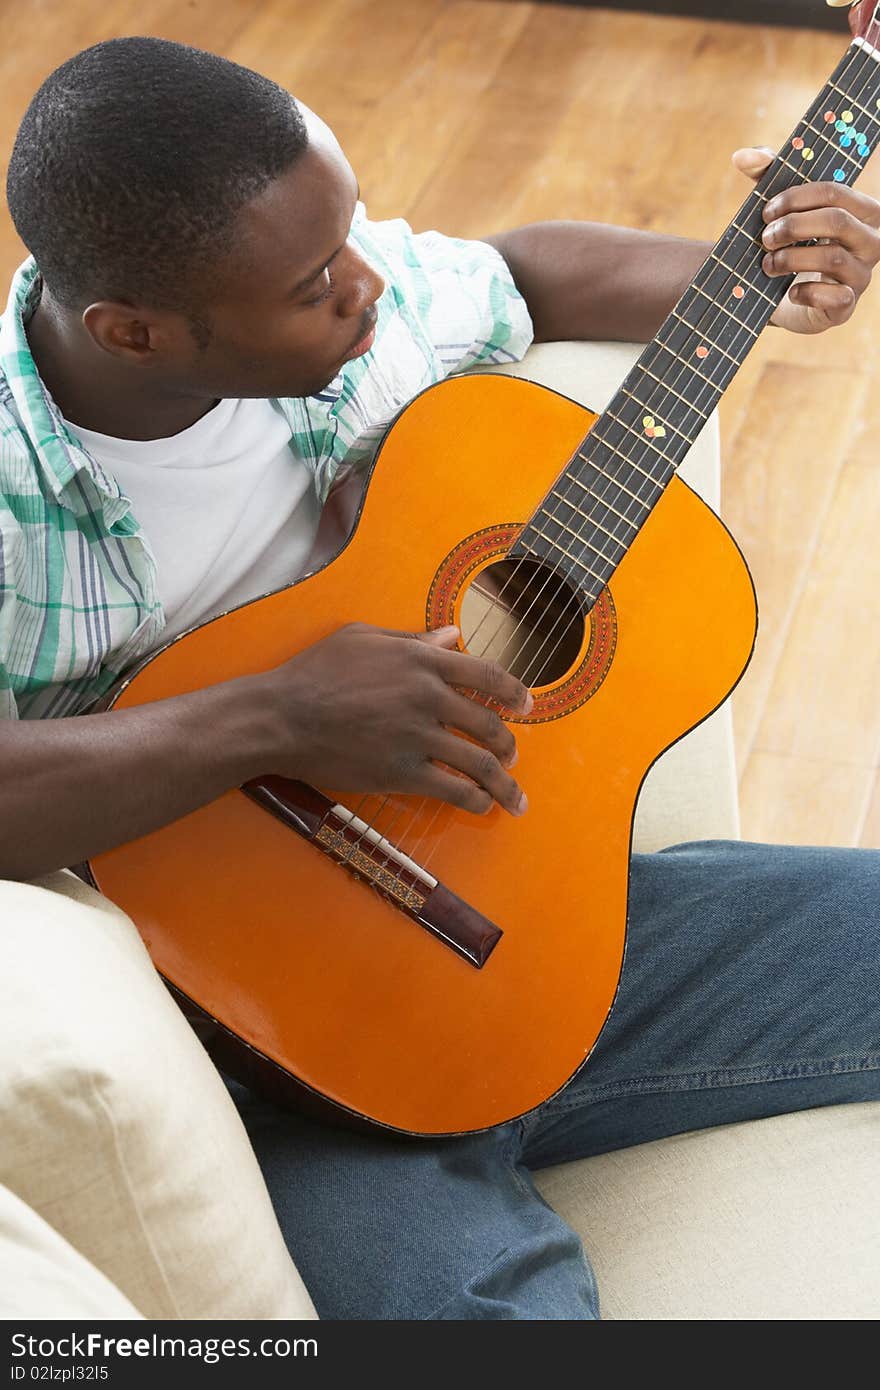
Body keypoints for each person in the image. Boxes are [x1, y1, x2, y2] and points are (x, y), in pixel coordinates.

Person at [1, 36, 878, 1320]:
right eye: (313, 283)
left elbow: (515, 271)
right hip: (283, 1043)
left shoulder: (369, 303)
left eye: (352, 234)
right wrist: (281, 714)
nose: (365, 284)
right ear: (134, 330)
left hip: (541, 931)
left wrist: (756, 277)